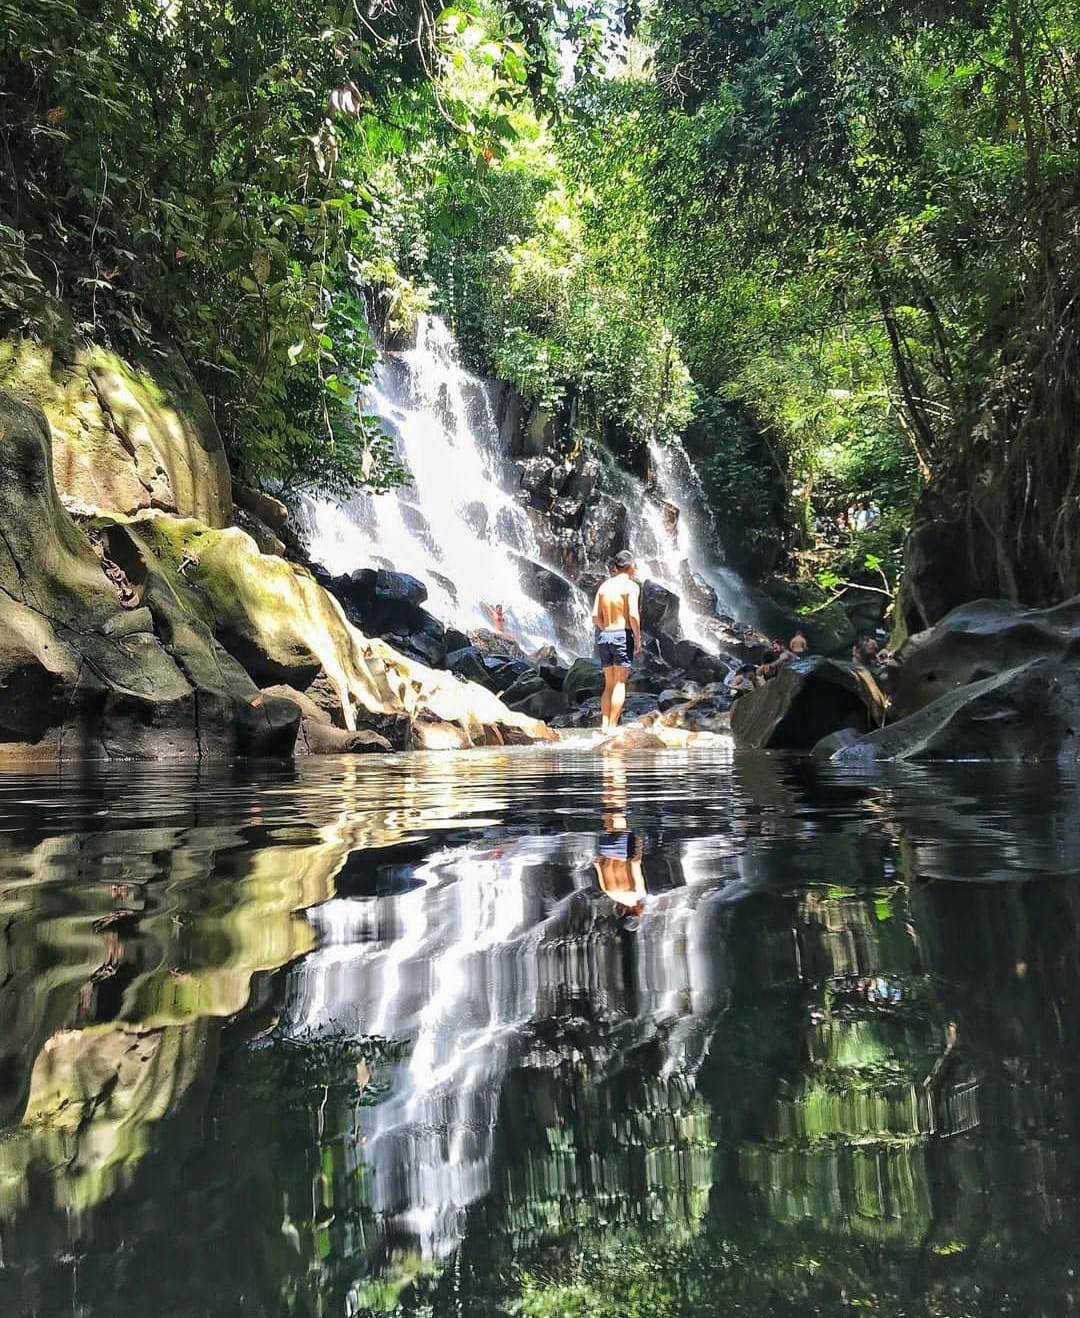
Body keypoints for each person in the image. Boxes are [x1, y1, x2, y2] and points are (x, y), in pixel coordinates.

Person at [592, 551, 642, 731]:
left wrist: (605, 628)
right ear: (632, 567)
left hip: (605, 636)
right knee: (620, 683)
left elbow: (595, 615)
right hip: (622, 634)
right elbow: (634, 616)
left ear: (615, 567)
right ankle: (612, 726)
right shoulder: (631, 586)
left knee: (609, 684)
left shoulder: (604, 586)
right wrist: (637, 637)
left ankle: (605, 724)